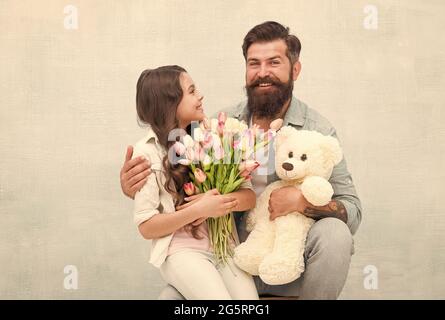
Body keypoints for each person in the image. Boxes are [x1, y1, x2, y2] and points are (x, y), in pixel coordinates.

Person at [121, 22, 362, 300]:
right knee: (169, 300)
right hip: (226, 254)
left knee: (336, 234)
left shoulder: (318, 130)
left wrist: (303, 202)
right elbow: (172, 167)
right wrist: (134, 184)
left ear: (295, 70)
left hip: (286, 259)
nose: (262, 73)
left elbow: (353, 212)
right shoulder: (219, 126)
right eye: (253, 63)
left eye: (274, 62)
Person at [129, 65, 259, 300]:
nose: (200, 95)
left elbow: (249, 197)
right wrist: (198, 210)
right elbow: (146, 226)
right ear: (170, 104)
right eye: (191, 91)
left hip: (225, 249)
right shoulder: (146, 152)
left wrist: (220, 203)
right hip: (182, 251)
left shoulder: (215, 137)